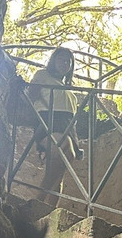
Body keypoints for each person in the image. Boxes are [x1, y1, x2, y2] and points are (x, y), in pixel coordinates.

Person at [26, 46, 82, 204]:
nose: (65, 63)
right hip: (48, 123)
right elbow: (31, 98)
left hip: (67, 127)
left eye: (68, 61)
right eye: (61, 59)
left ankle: (49, 210)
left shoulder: (68, 89)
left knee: (60, 170)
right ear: (53, 60)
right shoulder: (42, 75)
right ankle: (39, 200)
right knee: (65, 149)